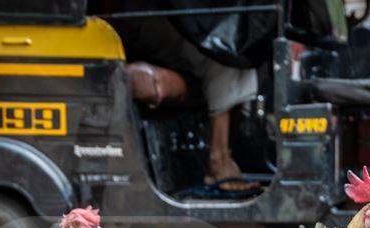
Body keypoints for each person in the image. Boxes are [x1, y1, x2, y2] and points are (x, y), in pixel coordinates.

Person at [111, 6, 260, 192]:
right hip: (146, 15)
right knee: (224, 61)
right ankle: (217, 160)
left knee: (243, 56)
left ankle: (225, 156)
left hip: (179, 16)